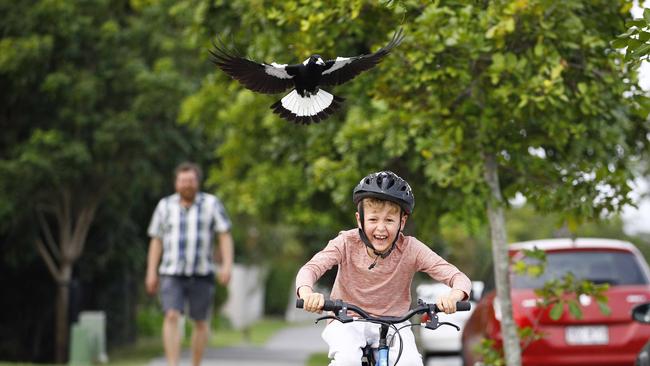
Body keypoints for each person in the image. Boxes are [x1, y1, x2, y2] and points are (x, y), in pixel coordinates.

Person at [296, 171, 471, 366]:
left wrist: (453, 297)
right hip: (347, 320)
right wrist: (307, 293)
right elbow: (310, 269)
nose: (381, 228)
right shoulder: (346, 242)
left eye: (389, 220)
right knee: (347, 360)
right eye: (373, 219)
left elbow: (459, 278)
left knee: (411, 362)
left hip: (394, 323)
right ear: (359, 220)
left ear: (401, 222)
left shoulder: (411, 249)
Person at [145, 162, 234, 366]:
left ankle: (195, 363)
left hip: (202, 272)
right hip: (171, 272)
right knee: (171, 316)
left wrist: (227, 265)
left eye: (191, 181)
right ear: (176, 183)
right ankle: (172, 364)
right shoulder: (165, 206)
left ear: (197, 182)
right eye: (183, 181)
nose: (187, 185)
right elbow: (156, 240)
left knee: (201, 322)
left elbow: (224, 235)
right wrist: (151, 271)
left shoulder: (211, 204)